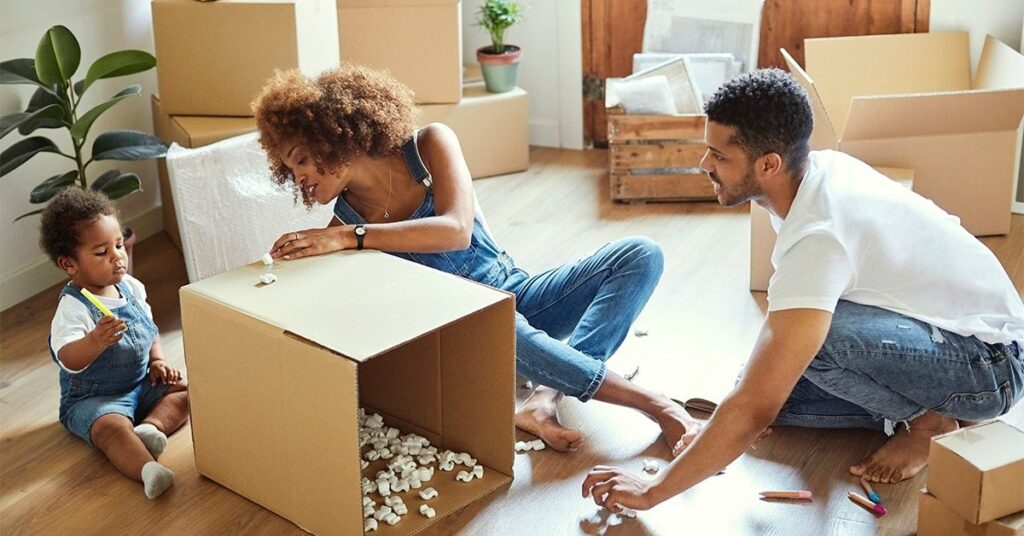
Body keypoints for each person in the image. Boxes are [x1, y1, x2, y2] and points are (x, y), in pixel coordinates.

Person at [582, 68, 1024, 512]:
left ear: (769, 164)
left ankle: (929, 423)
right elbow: (763, 391)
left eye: (718, 155)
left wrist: (653, 490)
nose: (705, 165)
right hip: (941, 335)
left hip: (991, 367)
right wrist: (733, 417)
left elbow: (755, 404)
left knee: (797, 364)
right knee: (778, 389)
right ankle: (913, 410)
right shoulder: (813, 171)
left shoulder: (818, 234)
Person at [254, 64, 702, 451]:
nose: (299, 179)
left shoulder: (428, 146)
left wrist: (351, 237)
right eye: (289, 169)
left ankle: (545, 394)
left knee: (641, 253)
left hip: (518, 288)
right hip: (472, 329)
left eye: (302, 160)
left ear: (335, 137)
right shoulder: (340, 228)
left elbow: (455, 230)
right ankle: (654, 403)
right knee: (505, 326)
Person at [42, 188, 189, 499]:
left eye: (119, 244)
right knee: (111, 429)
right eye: (101, 252)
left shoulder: (130, 287)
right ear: (70, 264)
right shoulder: (74, 307)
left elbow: (149, 329)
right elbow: (67, 357)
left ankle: (150, 429)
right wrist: (95, 340)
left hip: (140, 383)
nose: (118, 256)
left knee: (186, 391)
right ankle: (148, 469)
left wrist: (158, 361)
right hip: (96, 399)